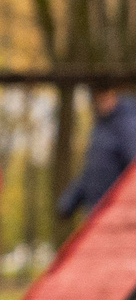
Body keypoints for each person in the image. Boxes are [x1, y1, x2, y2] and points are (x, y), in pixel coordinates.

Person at [57, 85, 136, 219]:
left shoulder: (128, 125)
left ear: (114, 95)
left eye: (105, 97)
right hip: (97, 211)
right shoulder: (99, 128)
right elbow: (90, 171)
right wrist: (70, 200)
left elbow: (132, 170)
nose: (101, 102)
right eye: (97, 98)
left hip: (119, 213)